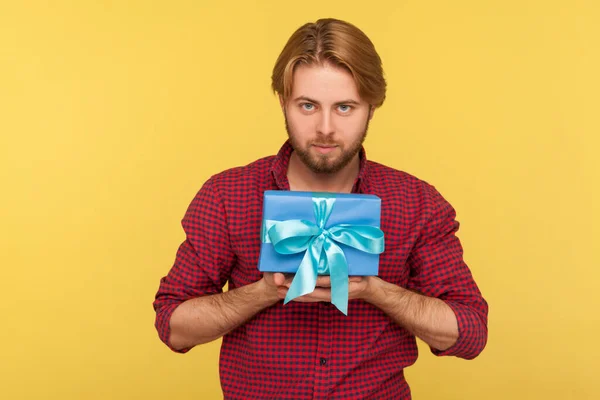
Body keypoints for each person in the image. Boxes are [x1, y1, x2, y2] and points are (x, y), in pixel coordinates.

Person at [153, 18, 488, 400]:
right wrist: (264, 292)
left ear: (372, 107)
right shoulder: (228, 195)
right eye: (308, 105)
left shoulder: (417, 203)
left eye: (344, 107)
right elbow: (173, 326)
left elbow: (471, 333)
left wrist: (376, 291)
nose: (325, 128)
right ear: (283, 101)